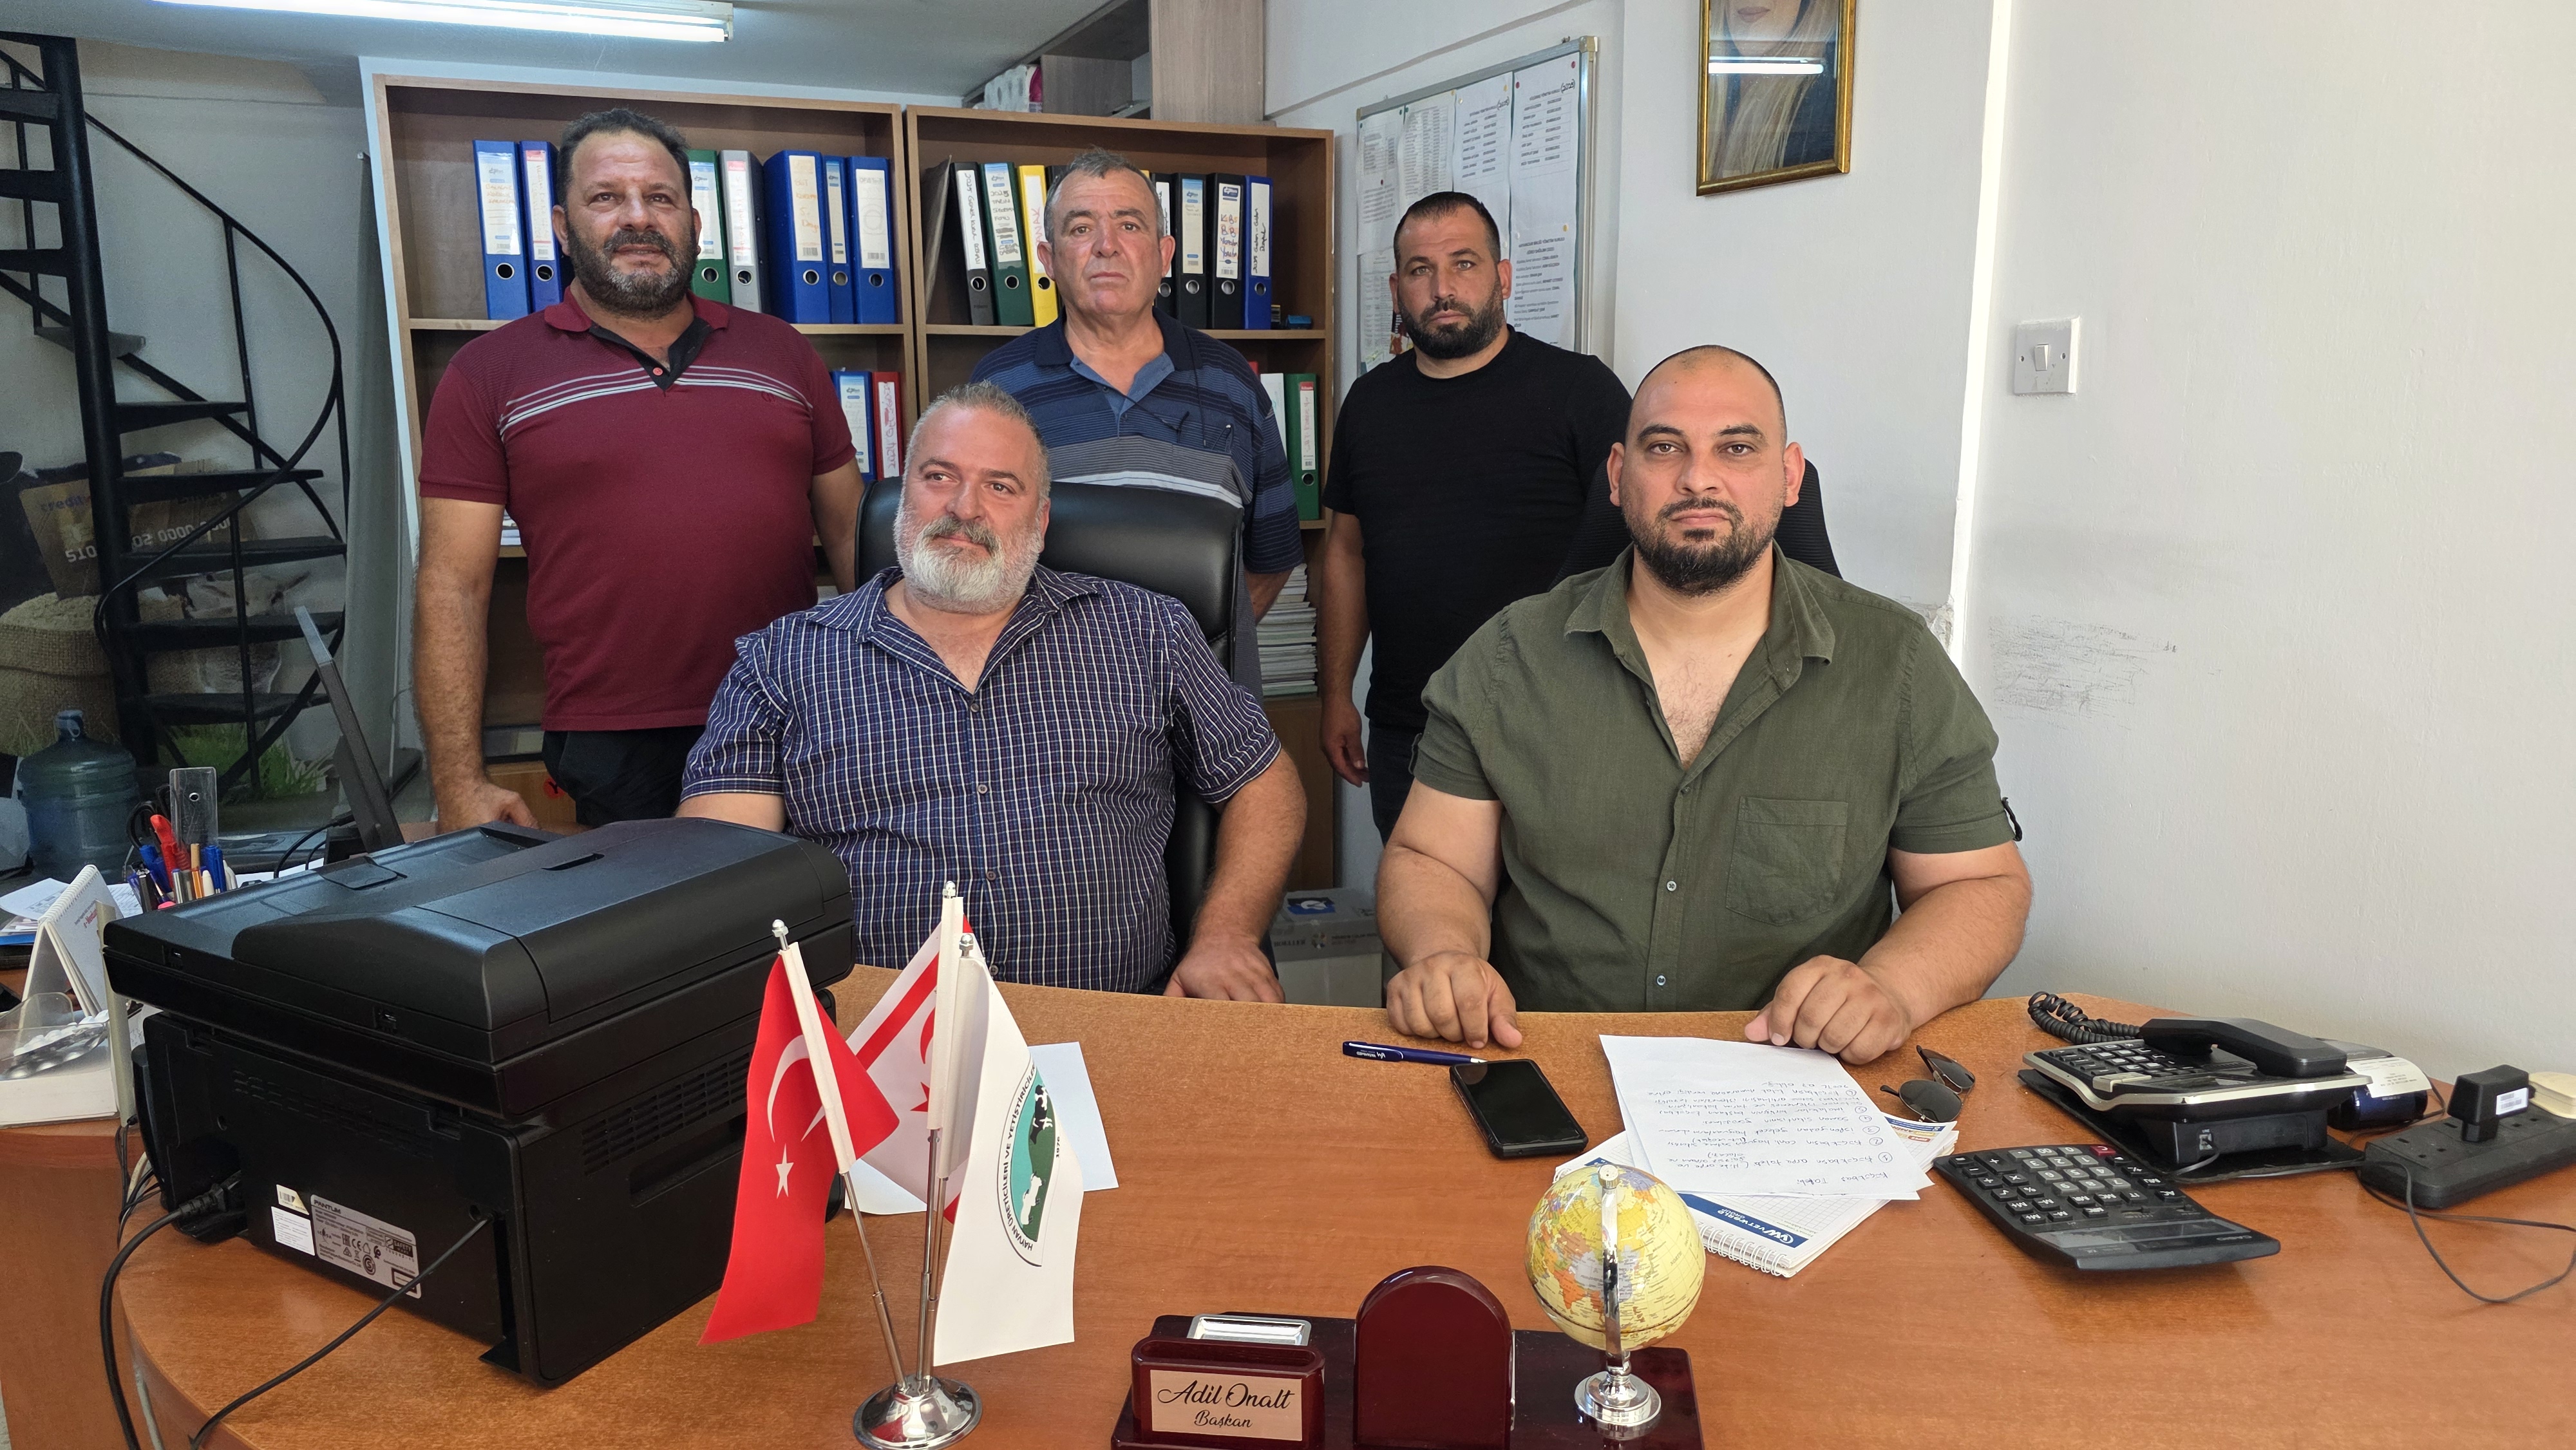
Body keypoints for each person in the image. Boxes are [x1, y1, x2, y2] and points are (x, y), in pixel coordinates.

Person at [1378, 346, 2031, 1064]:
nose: (1698, 478)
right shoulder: (1507, 659)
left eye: (1736, 448)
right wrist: (1444, 955)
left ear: (1789, 477)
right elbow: (1433, 859)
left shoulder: (1896, 666)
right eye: (1664, 448)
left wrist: (1893, 987)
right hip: (1543, 1065)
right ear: (1617, 476)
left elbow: (1979, 884)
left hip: (1795, 1078)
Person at [678, 382, 1305, 1000]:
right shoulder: (781, 659)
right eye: (939, 476)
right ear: (903, 495)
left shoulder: (1146, 630)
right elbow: (719, 870)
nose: (965, 507)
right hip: (876, 1034)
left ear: (1041, 519)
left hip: (1112, 1024)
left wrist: (1226, 935)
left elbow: (1264, 782)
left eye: (1000, 486)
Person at [415, 108, 861, 831]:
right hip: (613, 740)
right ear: (562, 228)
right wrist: (457, 780)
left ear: (695, 222)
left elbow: (851, 538)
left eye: (660, 197)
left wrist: (893, 699)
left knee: (816, 902)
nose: (638, 218)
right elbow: (452, 588)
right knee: (659, 910)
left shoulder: (784, 352)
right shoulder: (487, 373)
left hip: (796, 710)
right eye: (605, 197)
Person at [1316, 192, 1632, 840]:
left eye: (1464, 264)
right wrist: (1335, 693)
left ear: (1503, 277)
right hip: (1411, 729)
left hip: (1553, 726)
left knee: (1546, 907)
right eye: (1420, 270)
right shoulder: (1370, 403)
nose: (1442, 289)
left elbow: (1636, 553)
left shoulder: (1581, 391)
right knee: (1418, 900)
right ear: (1396, 290)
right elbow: (1346, 554)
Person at [970, 148, 1302, 693]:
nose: (1107, 245)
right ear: (1048, 259)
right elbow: (973, 549)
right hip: (1046, 707)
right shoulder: (996, 390)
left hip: (1205, 712)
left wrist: (1188, 657)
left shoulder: (1231, 384)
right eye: (1081, 228)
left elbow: (1272, 556)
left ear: (1164, 254)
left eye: (1129, 225)